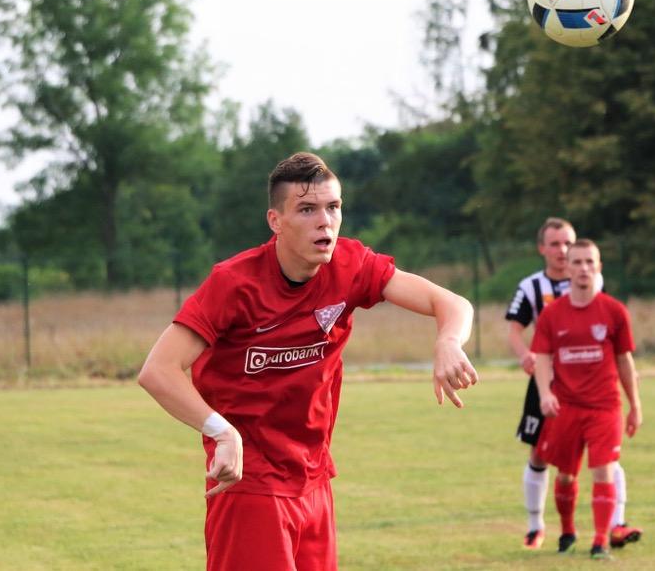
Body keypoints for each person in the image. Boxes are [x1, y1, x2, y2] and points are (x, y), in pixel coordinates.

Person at [138, 152, 478, 570]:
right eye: (307, 209)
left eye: (333, 207)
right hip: (250, 483)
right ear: (275, 221)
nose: (325, 221)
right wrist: (222, 433)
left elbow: (452, 304)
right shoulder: (234, 283)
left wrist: (448, 341)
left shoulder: (351, 266)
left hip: (314, 480)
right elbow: (158, 370)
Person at [506, 217, 640, 550]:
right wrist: (526, 356)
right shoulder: (531, 287)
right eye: (556, 244)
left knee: (606, 459)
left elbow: (612, 339)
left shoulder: (596, 287)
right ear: (542, 249)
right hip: (548, 383)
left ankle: (615, 525)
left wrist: (632, 399)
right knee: (542, 455)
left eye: (568, 243)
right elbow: (515, 330)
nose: (563, 251)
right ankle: (536, 526)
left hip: (595, 390)